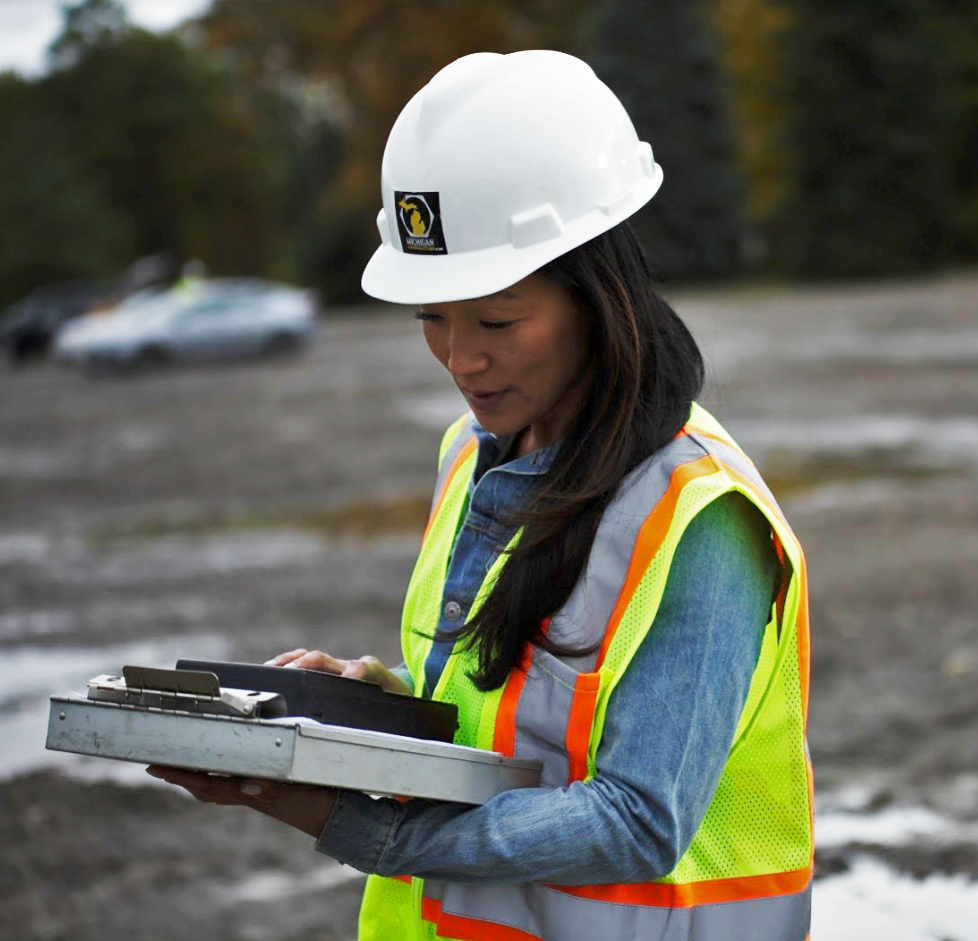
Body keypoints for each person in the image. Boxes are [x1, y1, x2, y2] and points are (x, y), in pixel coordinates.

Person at [147, 50, 813, 941]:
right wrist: (368, 710)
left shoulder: (700, 518)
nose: (462, 360)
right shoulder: (471, 453)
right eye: (433, 319)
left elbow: (640, 819)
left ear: (599, 297)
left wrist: (366, 826)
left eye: (497, 321)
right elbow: (510, 720)